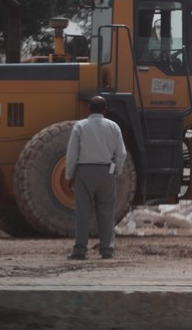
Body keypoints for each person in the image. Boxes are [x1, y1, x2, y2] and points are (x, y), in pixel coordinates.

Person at [65, 95, 127, 260]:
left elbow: (72, 154)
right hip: (107, 172)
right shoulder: (114, 127)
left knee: (83, 213)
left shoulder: (80, 126)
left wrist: (69, 174)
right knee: (106, 212)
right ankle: (107, 249)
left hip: (84, 171)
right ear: (105, 110)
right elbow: (121, 153)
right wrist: (116, 171)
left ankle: (80, 250)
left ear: (89, 109)